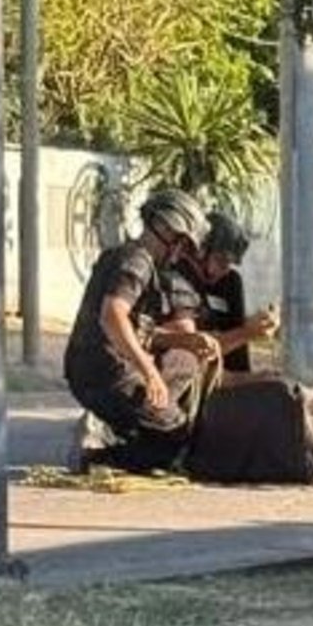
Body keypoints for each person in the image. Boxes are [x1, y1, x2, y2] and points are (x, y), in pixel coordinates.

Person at [62, 188, 221, 473]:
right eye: (180, 243)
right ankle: (97, 454)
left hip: (97, 369)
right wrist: (150, 374)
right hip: (107, 374)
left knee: (186, 360)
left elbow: (135, 330)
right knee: (175, 435)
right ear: (162, 227)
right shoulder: (136, 261)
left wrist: (187, 340)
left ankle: (123, 427)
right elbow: (112, 316)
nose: (179, 254)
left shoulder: (129, 258)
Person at [168, 210, 278, 383]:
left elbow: (237, 355)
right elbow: (192, 350)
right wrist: (248, 332)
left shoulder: (230, 282)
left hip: (223, 378)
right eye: (221, 260)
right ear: (200, 251)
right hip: (191, 383)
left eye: (229, 263)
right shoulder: (176, 278)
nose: (225, 270)